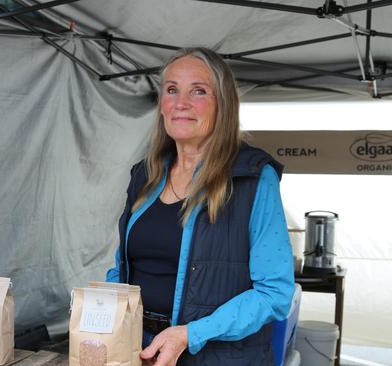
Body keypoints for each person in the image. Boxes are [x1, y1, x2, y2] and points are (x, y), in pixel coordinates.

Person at [106, 47, 295, 366]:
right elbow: (122, 268)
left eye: (198, 91)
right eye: (171, 90)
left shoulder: (252, 178)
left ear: (223, 104)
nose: (181, 103)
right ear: (162, 106)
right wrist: (104, 311)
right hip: (139, 352)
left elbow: (274, 293)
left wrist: (190, 334)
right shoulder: (145, 175)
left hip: (217, 357)